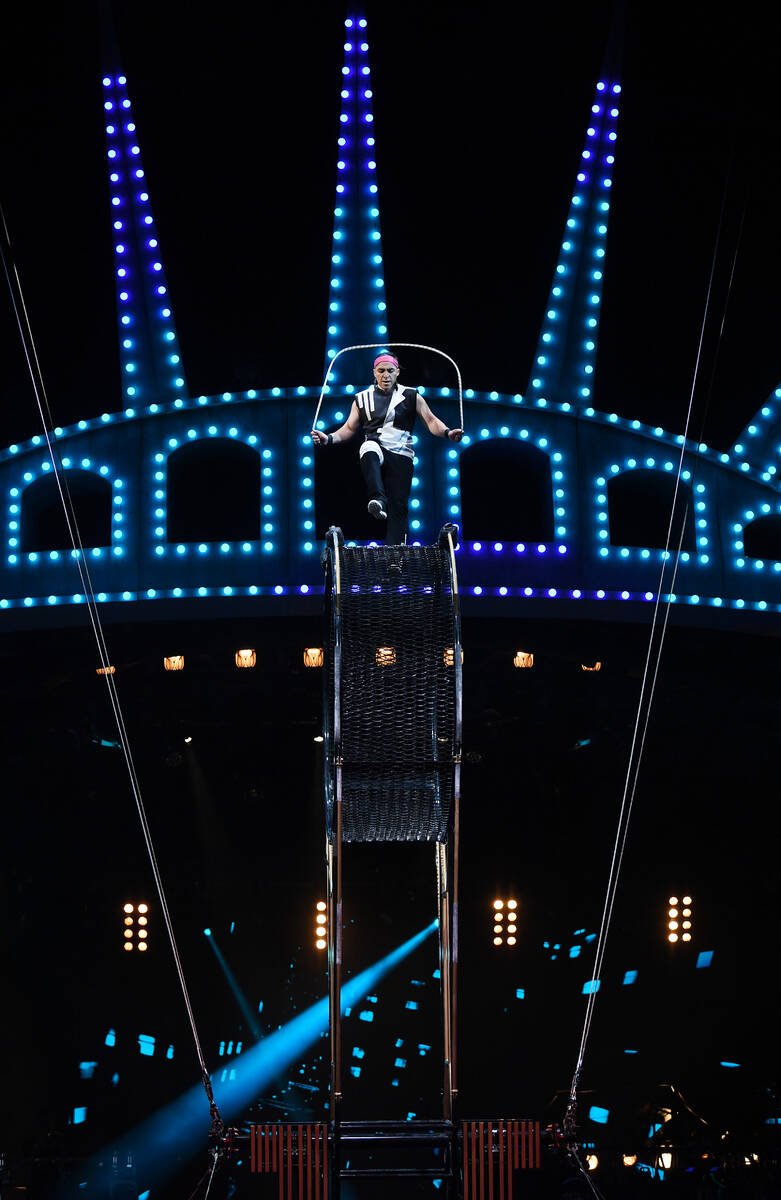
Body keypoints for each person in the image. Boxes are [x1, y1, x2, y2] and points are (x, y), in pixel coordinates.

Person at [311, 352, 463, 545]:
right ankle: (377, 499)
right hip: (376, 448)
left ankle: (396, 556)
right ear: (374, 372)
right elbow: (349, 428)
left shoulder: (411, 395)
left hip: (401, 454)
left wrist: (448, 433)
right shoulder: (362, 398)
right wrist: (329, 438)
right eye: (381, 371)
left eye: (390, 371)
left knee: (399, 506)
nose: (386, 375)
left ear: (397, 372)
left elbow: (431, 421)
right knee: (368, 447)